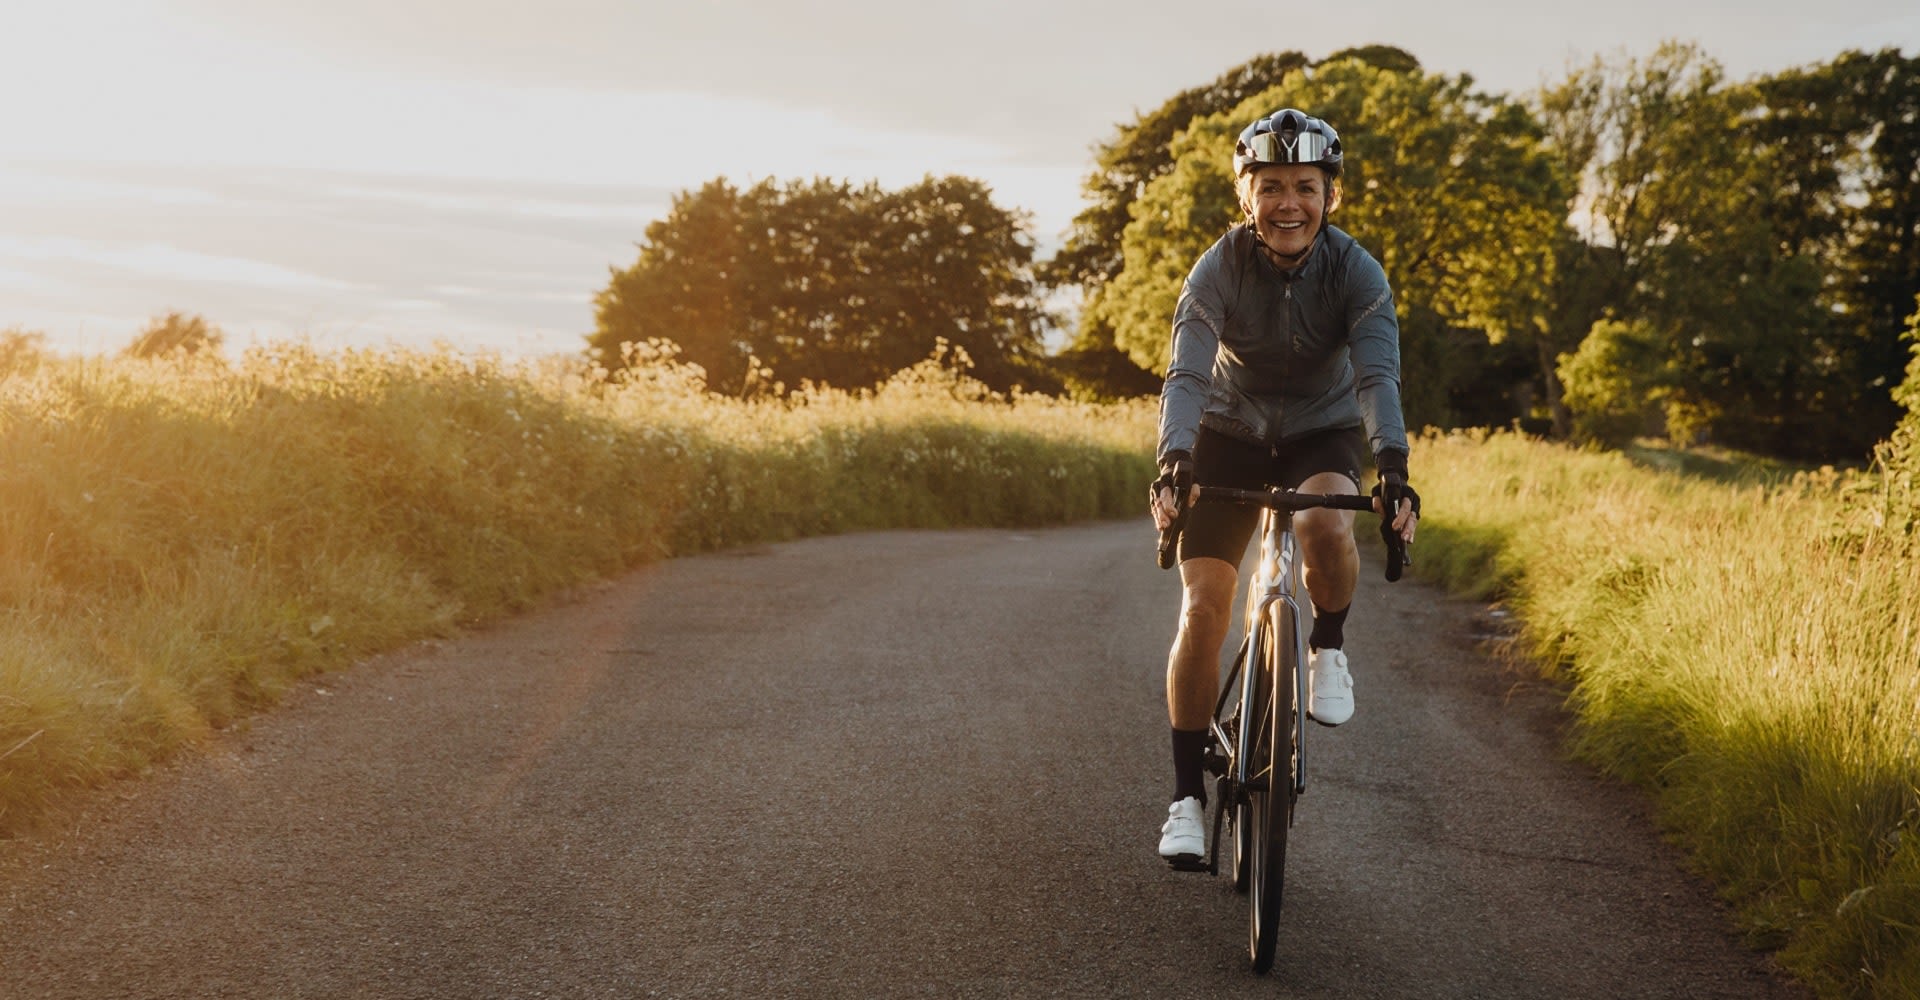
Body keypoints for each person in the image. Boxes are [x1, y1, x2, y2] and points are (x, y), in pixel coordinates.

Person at [1148, 108, 1419, 867]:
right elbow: (1187, 372)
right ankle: (1185, 799)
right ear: (1246, 196)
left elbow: (1377, 377)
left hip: (1318, 431)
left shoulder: (1358, 272)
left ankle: (1327, 645)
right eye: (1270, 187)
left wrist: (1393, 467)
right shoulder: (1217, 268)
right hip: (1227, 432)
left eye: (1305, 186)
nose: (1288, 203)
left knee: (1326, 527)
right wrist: (1175, 459)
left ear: (1331, 195)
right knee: (1204, 607)